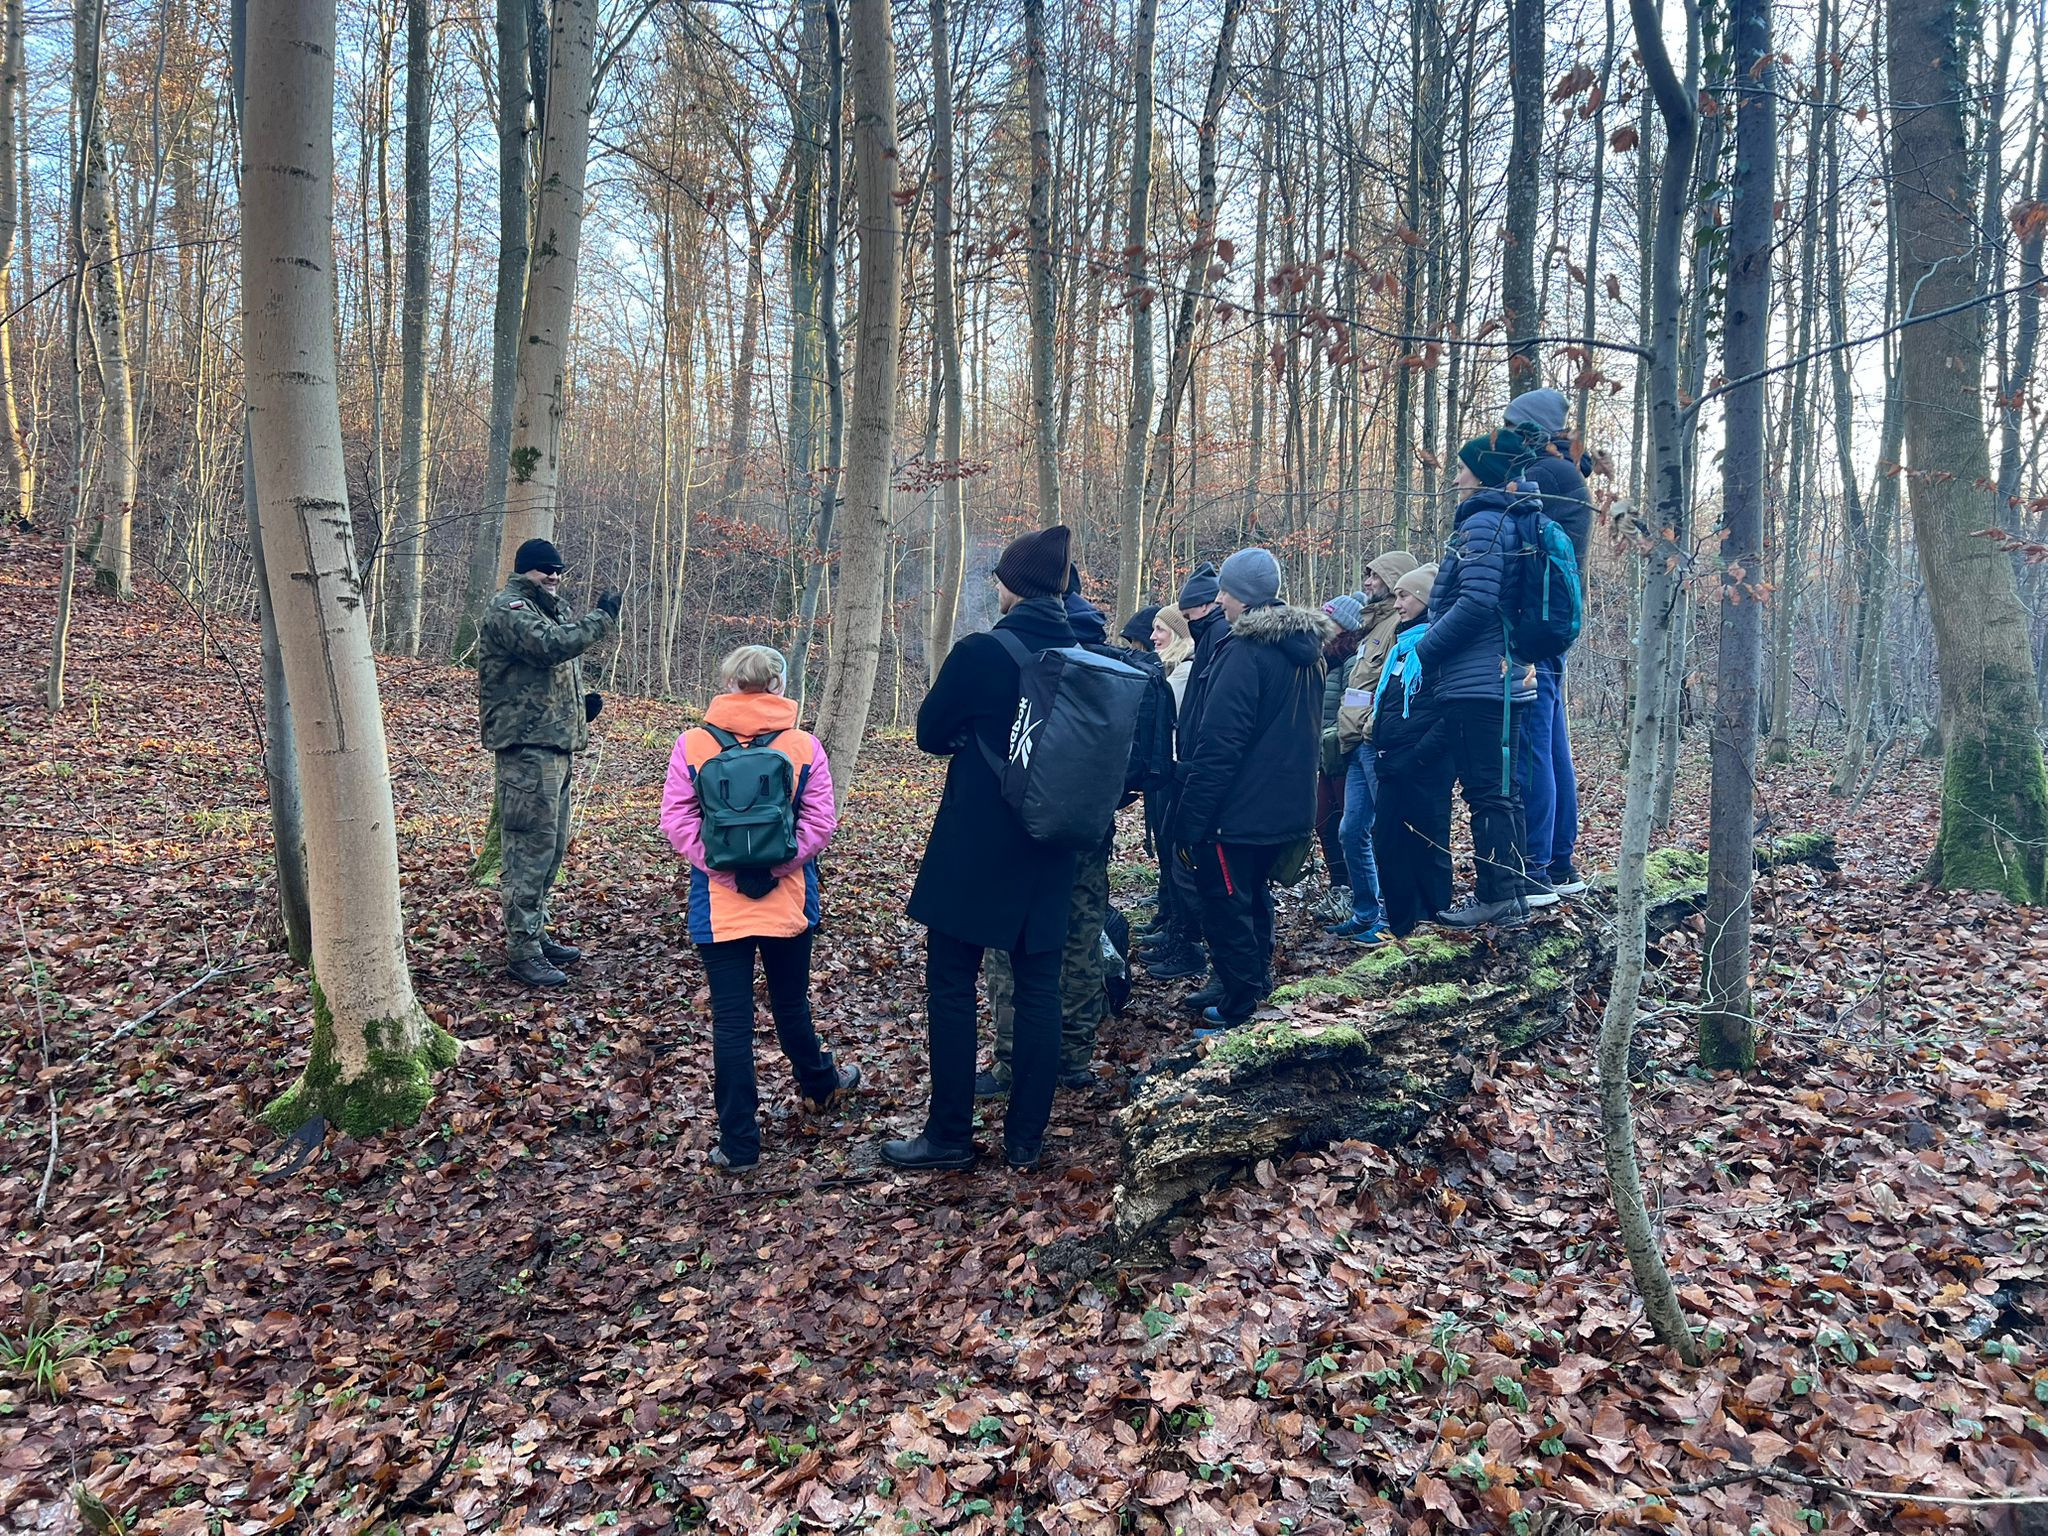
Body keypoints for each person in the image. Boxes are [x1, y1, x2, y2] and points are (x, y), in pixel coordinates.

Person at [887, 524, 1078, 1173]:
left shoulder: (980, 654)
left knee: (950, 984)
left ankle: (947, 1138)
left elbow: (929, 732)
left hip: (976, 841)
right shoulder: (1088, 655)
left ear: (1011, 587)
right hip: (1052, 846)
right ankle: (1026, 1141)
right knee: (1039, 990)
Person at [660, 645, 858, 1171]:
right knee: (791, 1006)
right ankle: (820, 1086)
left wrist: (723, 869)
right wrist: (774, 867)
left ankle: (741, 1145)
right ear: (778, 685)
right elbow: (820, 822)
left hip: (717, 904)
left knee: (731, 1024)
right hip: (788, 898)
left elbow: (676, 820)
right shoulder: (803, 745)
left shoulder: (693, 743)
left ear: (729, 684)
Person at [1170, 547, 1331, 1030]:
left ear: (1246, 596)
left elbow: (1220, 745)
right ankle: (1254, 985)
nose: (1219, 600)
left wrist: (1191, 820)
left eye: (1226, 591)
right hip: (1285, 807)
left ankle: (1239, 1009)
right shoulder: (1308, 653)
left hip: (1237, 811)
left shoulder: (1245, 653)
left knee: (1226, 904)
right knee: (1254, 895)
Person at [979, 567, 1122, 1097]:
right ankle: (1074, 1055)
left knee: (1009, 944)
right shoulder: (1105, 653)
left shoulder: (1031, 650)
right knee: (1082, 936)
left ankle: (1012, 1062)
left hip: (1023, 825)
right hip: (1087, 825)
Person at [478, 537, 621, 986]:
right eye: (546, 569)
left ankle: (535, 937)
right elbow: (550, 648)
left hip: (552, 742)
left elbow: (542, 676)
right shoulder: (511, 609)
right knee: (528, 851)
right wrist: (602, 618)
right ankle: (521, 951)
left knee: (551, 848)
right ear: (527, 570)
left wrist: (579, 707)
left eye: (559, 569)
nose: (554, 576)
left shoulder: (545, 607)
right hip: (526, 750)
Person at [1417, 432, 1540, 928]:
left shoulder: (1485, 523)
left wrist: (1426, 648)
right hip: (1501, 677)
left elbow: (1475, 603)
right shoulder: (1509, 519)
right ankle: (1514, 892)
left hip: (1480, 681)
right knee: (1502, 790)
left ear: (1484, 472)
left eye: (1464, 467)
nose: (1456, 476)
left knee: (1488, 792)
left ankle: (1497, 896)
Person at [1503, 388, 1592, 899]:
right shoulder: (1563, 473)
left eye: (1513, 423)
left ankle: (1535, 867)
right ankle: (1559, 863)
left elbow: (1512, 537)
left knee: (1536, 742)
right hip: (1552, 624)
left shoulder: (1547, 474)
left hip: (1535, 626)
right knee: (1552, 740)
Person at [1142, 566, 1230, 984]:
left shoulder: (1183, 669)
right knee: (1171, 856)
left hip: (1185, 773)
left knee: (1184, 861)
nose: (1155, 636)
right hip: (1176, 773)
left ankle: (1192, 944)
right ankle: (1179, 931)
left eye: (1162, 629)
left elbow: (1178, 722)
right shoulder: (1171, 668)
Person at [1326, 551, 1418, 942]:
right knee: (1351, 830)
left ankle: (1399, 917)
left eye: (1374, 575)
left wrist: (1368, 727)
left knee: (1388, 831)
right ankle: (1367, 913)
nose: (1367, 582)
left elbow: (1389, 687)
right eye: (1366, 574)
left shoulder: (1399, 624)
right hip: (1354, 743)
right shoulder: (1372, 625)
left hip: (1372, 742)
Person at [1371, 564, 1454, 936]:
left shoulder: (1439, 646)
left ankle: (1434, 923)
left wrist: (1416, 756)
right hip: (1392, 764)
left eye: (1404, 596)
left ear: (1423, 598)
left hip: (1425, 766)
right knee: (1387, 843)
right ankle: (1402, 925)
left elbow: (1450, 714)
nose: (1397, 604)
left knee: (1426, 844)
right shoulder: (1401, 647)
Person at [1311, 594, 1367, 922]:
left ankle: (1358, 891)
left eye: (1328, 620)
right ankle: (1339, 887)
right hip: (1323, 757)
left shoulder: (1350, 660)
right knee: (1323, 820)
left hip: (1343, 756)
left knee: (1350, 824)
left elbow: (1351, 707)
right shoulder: (1322, 660)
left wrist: (1336, 739)